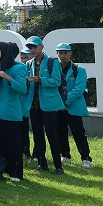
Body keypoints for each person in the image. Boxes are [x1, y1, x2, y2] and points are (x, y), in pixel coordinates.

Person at [0, 41, 28, 181]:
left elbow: (23, 89)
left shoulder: (18, 68)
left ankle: (15, 173)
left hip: (10, 113)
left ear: (5, 51)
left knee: (13, 145)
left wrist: (8, 78)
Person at [25, 36, 65, 174]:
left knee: (52, 135)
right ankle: (42, 164)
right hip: (34, 105)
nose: (32, 49)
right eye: (30, 47)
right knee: (37, 135)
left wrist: (40, 80)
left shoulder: (52, 62)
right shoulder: (29, 63)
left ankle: (58, 166)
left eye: (35, 47)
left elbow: (56, 81)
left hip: (48, 104)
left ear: (42, 47)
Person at [54, 43, 92, 169]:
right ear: (57, 53)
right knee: (61, 132)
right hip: (58, 107)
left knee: (79, 133)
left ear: (70, 53)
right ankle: (65, 155)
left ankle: (86, 158)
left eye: (65, 53)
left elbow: (79, 89)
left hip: (73, 107)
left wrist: (65, 102)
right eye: (60, 53)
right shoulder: (55, 68)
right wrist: (60, 103)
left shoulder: (79, 69)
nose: (63, 55)